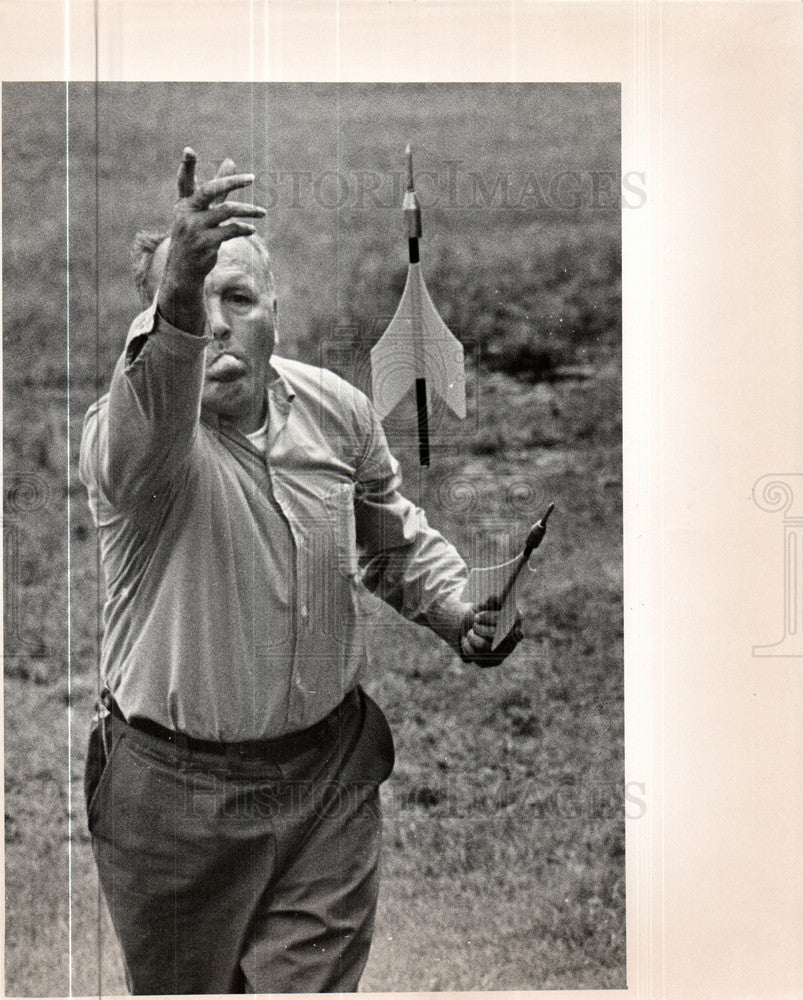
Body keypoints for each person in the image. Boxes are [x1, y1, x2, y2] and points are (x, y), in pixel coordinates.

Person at [79, 148, 522, 994]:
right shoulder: (131, 439)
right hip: (175, 800)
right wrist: (179, 290)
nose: (216, 322)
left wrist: (458, 607)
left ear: (275, 308)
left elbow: (387, 537)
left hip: (327, 779)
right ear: (162, 322)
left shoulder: (334, 410)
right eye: (192, 301)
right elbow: (142, 421)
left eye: (237, 298)